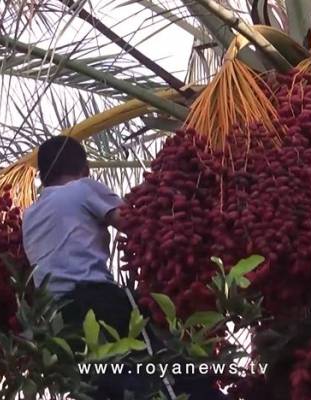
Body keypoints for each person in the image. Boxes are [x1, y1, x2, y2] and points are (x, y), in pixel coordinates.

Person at [22, 136, 226, 400]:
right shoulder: (82, 188)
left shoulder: (30, 216)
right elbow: (137, 224)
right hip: (96, 303)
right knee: (165, 371)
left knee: (109, 386)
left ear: (42, 177)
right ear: (85, 169)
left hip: (57, 323)